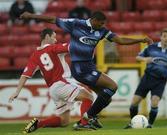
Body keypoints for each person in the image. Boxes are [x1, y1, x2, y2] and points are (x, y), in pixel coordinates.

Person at [19, 11, 153, 128]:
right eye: (100, 24)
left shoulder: (102, 31)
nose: (102, 26)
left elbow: (120, 40)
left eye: (103, 24)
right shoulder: (76, 24)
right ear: (93, 20)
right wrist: (31, 15)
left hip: (89, 67)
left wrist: (141, 40)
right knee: (113, 86)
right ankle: (87, 119)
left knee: (106, 98)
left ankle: (89, 119)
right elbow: (53, 19)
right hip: (80, 68)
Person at [8, 28, 95, 133]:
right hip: (62, 83)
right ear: (47, 36)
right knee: (88, 97)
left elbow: (25, 75)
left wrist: (17, 92)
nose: (55, 40)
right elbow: (71, 47)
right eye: (54, 37)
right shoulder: (53, 48)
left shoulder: (35, 55)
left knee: (64, 121)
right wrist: (88, 43)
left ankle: (38, 124)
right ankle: (84, 124)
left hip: (53, 90)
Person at [124, 28, 167, 129]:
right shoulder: (151, 47)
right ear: (161, 37)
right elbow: (138, 57)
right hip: (147, 77)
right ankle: (132, 123)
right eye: (164, 36)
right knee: (134, 102)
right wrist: (145, 59)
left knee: (154, 102)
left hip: (161, 81)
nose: (166, 38)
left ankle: (149, 125)